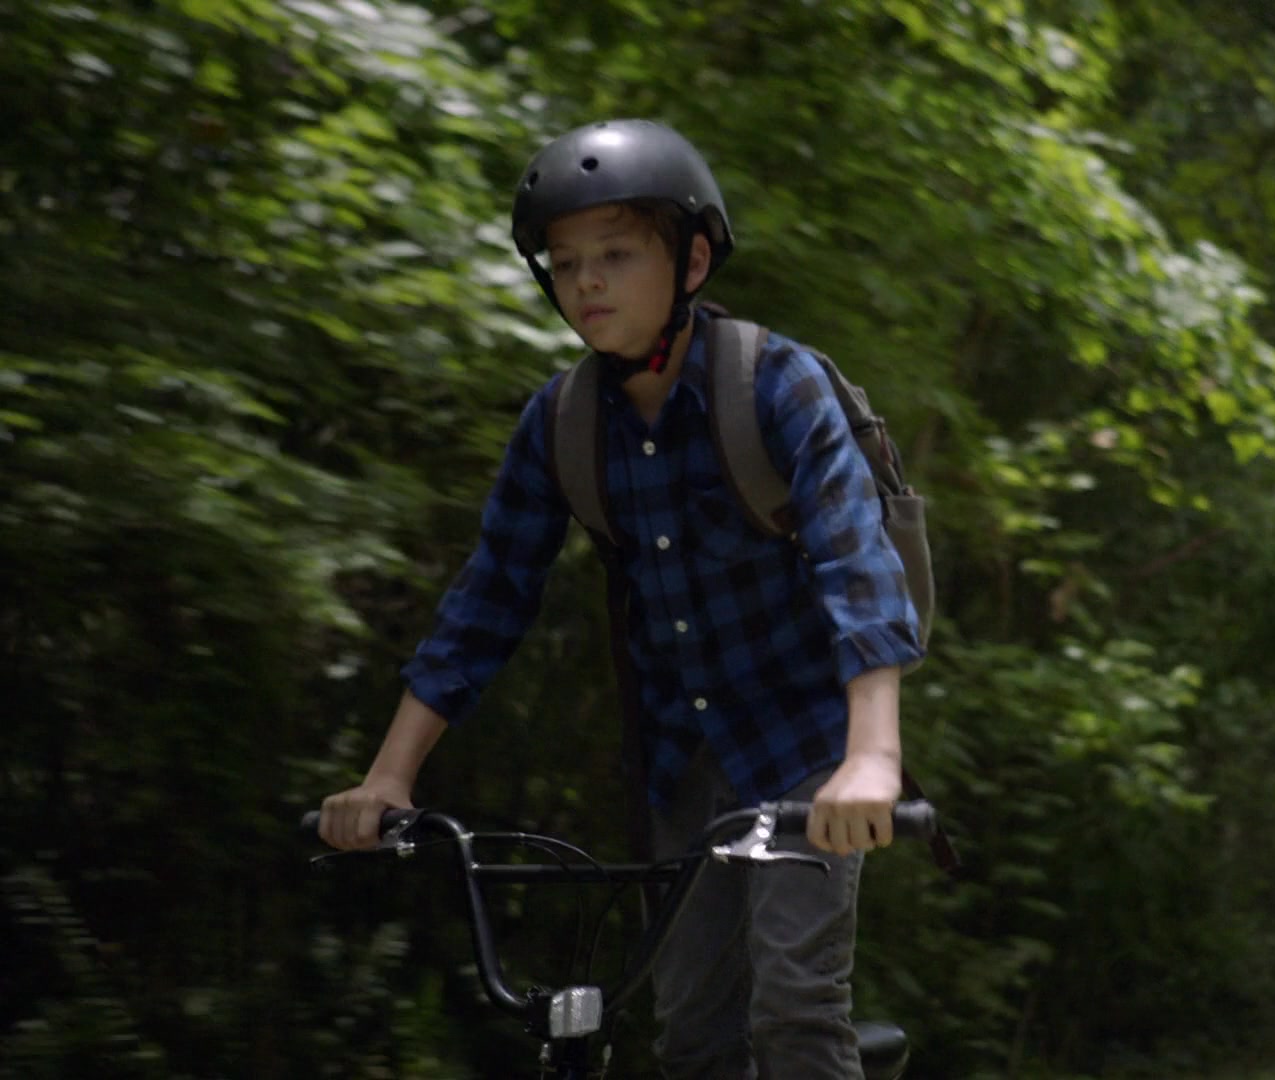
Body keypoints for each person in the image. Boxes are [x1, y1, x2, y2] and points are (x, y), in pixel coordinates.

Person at [316, 118, 924, 1079]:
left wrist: (873, 759)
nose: (586, 282)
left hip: (810, 746)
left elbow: (857, 561)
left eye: (615, 254)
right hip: (680, 755)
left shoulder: (776, 383)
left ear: (691, 262)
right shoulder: (560, 423)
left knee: (795, 1010)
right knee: (690, 1036)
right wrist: (388, 779)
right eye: (564, 264)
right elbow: (488, 600)